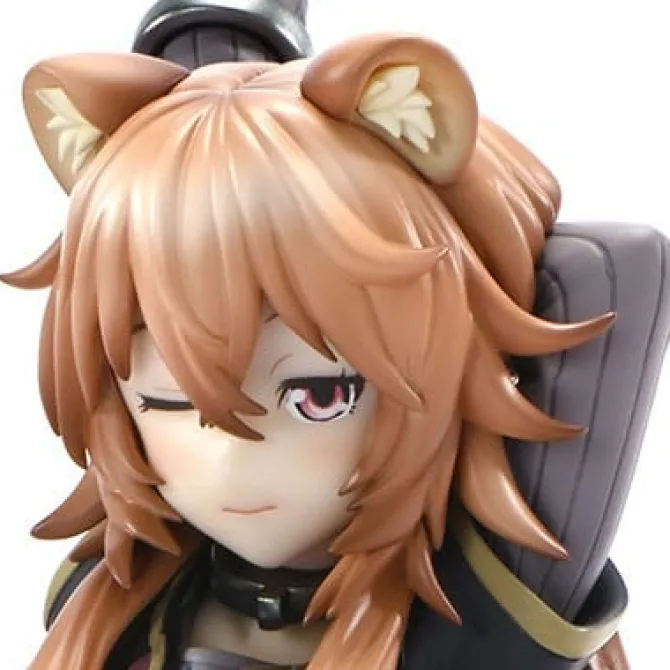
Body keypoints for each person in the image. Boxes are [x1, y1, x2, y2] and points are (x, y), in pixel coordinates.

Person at [4, 1, 649, 668]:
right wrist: (206, 138)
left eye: (318, 397)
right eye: (168, 400)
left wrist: (460, 225)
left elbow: (614, 268)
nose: (229, 463)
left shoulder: (469, 625)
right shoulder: (113, 605)